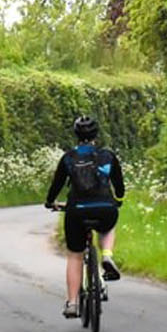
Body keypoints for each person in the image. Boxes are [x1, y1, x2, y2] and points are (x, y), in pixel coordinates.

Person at [43, 115, 125, 319]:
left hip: (76, 211)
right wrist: (119, 199)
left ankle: (72, 303)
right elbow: (119, 185)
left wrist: (50, 202)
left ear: (76, 135)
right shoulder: (107, 156)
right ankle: (106, 255)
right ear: (96, 134)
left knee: (74, 255)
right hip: (105, 208)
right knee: (108, 224)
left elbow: (57, 185)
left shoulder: (69, 158)